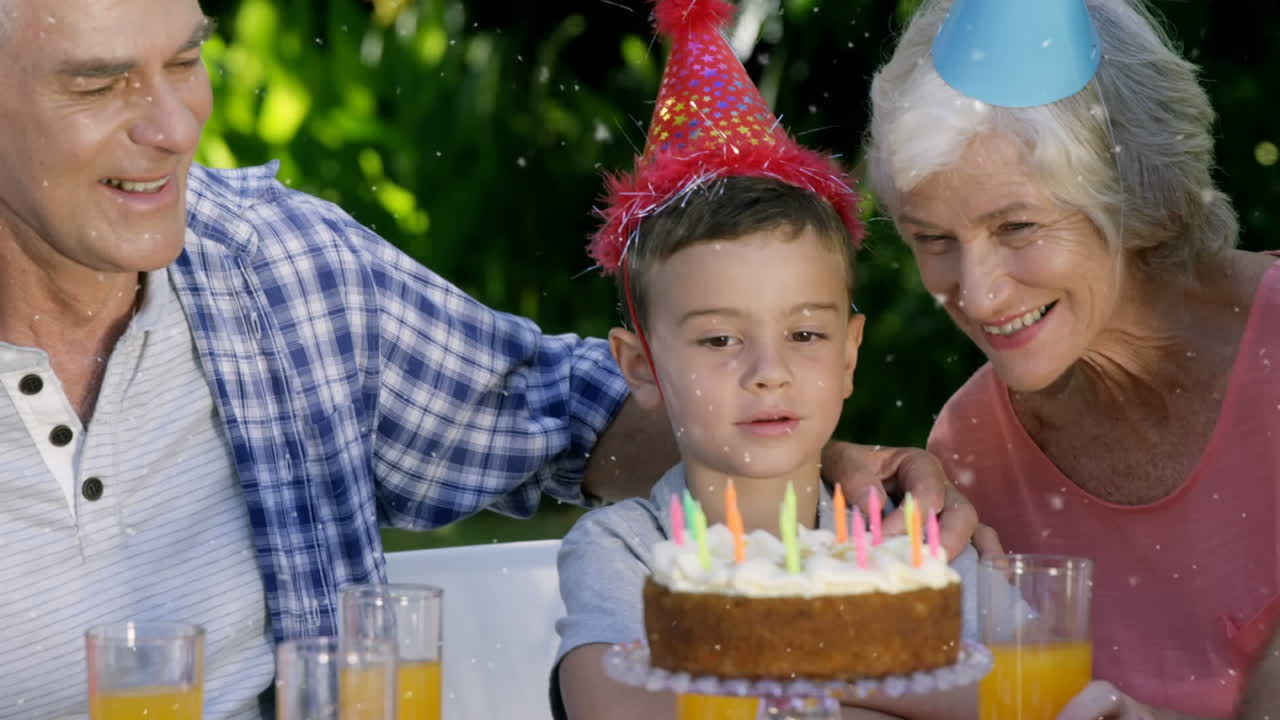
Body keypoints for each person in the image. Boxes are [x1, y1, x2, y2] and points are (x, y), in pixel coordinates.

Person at [0, 0, 974, 717]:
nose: (174, 127)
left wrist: (817, 480)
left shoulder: (282, 273)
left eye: (184, 61)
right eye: (98, 83)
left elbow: (570, 413)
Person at [552, 3, 993, 718]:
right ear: (641, 367)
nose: (769, 371)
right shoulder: (625, 550)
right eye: (719, 340)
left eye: (806, 335)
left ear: (849, 352)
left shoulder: (910, 535)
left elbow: (1018, 694)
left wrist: (770, 669)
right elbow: (615, 709)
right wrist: (877, 679)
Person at [864, 0, 1279, 717]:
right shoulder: (970, 451)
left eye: (1017, 227)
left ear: (1136, 196)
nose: (978, 293)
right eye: (933, 239)